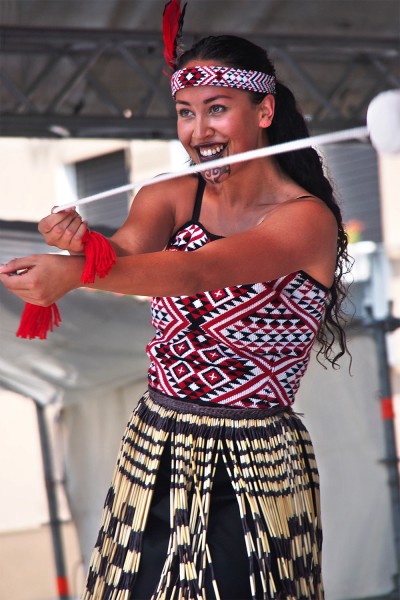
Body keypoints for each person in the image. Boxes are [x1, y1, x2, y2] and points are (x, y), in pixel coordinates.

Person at [0, 29, 351, 600]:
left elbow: (195, 273)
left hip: (252, 467)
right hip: (156, 445)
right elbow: (129, 260)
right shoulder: (170, 193)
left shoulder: (305, 219)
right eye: (186, 113)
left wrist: (76, 272)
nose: (198, 130)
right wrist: (79, 247)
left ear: (264, 111)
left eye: (217, 109)